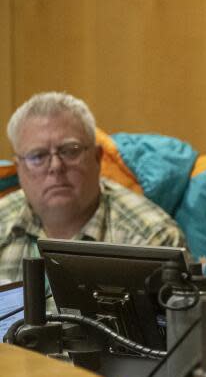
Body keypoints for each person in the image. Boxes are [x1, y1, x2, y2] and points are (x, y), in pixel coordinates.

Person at [0, 92, 186, 284]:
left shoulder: (153, 241)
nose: (55, 166)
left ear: (98, 158)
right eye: (38, 156)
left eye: (70, 151)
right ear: (19, 168)